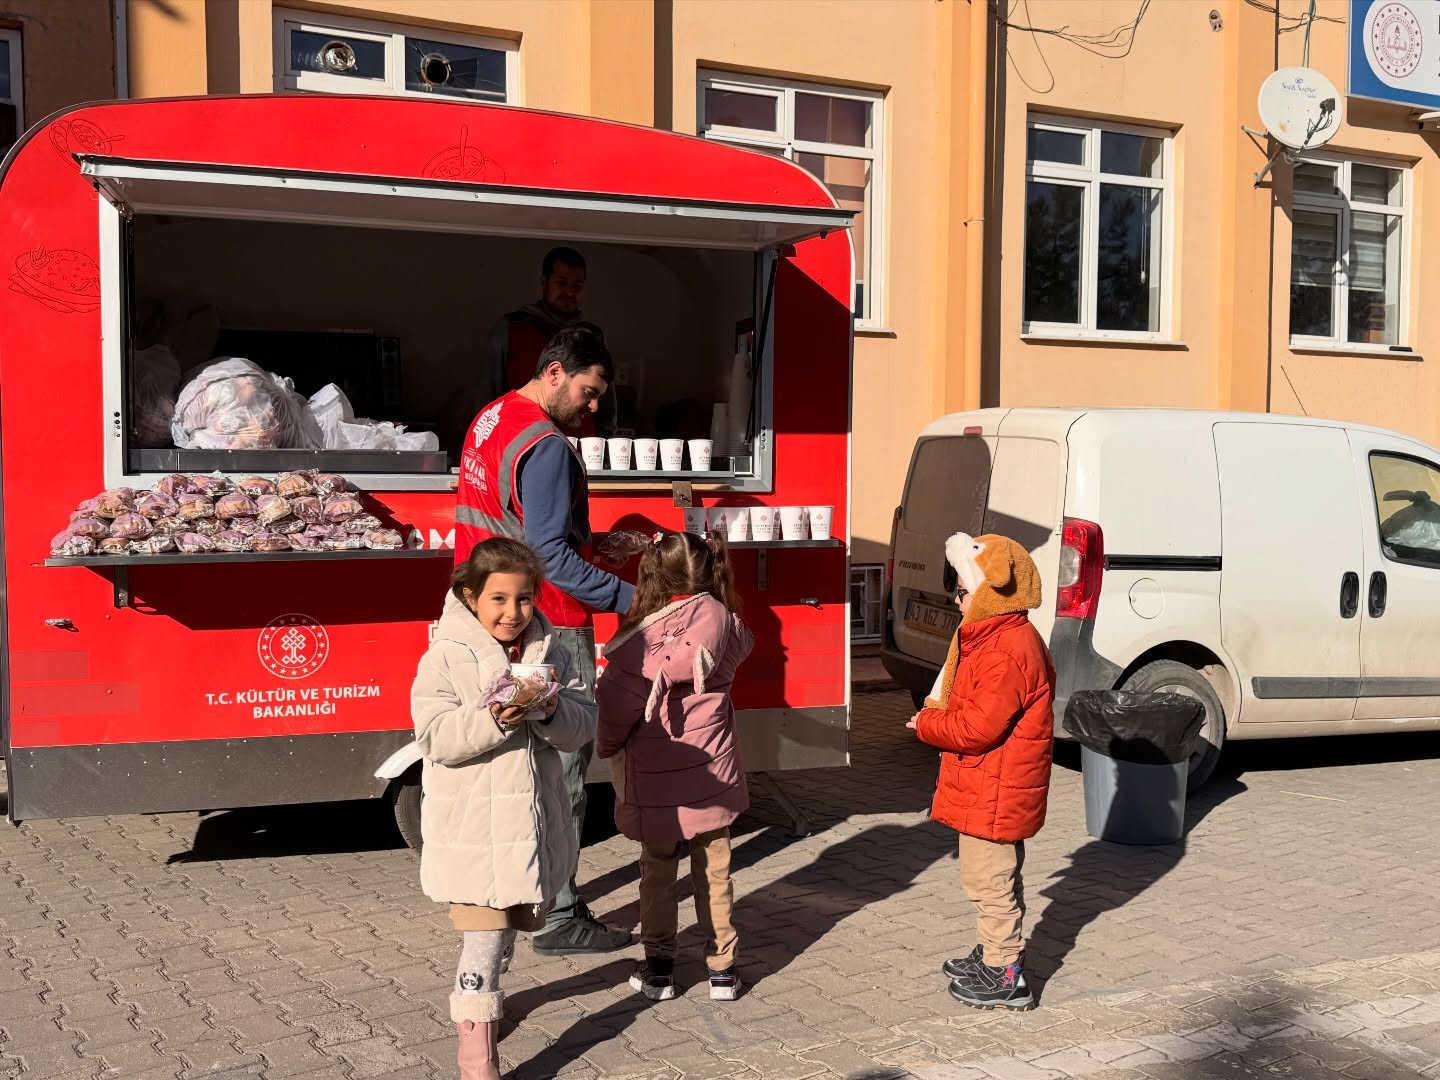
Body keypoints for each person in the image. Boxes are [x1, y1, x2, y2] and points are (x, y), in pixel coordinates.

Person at [456, 323, 634, 955]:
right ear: (555, 372)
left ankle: (520, 893)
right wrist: (627, 598)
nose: (592, 406)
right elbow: (551, 558)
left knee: (522, 764)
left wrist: (590, 543)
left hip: (495, 613)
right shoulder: (548, 444)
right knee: (561, 768)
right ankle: (559, 914)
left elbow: (510, 520)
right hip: (552, 626)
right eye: (587, 392)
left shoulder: (492, 416)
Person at [410, 539, 596, 1080]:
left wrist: (551, 711)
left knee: (513, 921)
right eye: (497, 600)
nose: (512, 614)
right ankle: (477, 1054)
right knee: (485, 938)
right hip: (474, 829)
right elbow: (435, 736)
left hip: (531, 827)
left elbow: (584, 724)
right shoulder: (445, 653)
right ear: (470, 596)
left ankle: (492, 1006)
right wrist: (497, 718)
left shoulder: (550, 651)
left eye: (523, 600)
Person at [594, 530, 753, 1002]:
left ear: (651, 575)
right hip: (714, 773)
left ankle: (659, 967)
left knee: (658, 871)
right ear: (711, 572)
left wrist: (607, 747)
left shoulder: (635, 647)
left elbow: (614, 715)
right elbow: (743, 643)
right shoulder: (725, 621)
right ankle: (723, 970)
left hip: (655, 778)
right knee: (715, 871)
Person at [909, 531, 1056, 1012]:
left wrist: (927, 723)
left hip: (995, 787)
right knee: (993, 877)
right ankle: (994, 953)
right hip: (991, 783)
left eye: (963, 591)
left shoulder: (1006, 649)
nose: (957, 600)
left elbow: (976, 727)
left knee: (988, 881)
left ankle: (1005, 971)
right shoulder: (997, 638)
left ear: (991, 592)